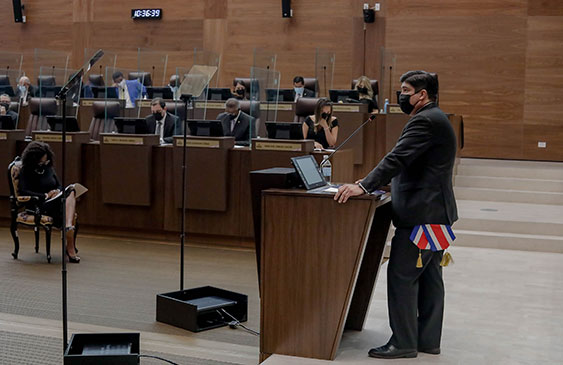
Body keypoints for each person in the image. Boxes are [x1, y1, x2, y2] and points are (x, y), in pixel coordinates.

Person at [334, 71, 458, 359]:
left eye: (405, 90)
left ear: (422, 95)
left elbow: (397, 158)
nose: (401, 96)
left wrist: (362, 185)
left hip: (422, 216)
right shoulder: (436, 117)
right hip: (435, 213)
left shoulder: (425, 120)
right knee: (429, 277)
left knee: (402, 275)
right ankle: (427, 340)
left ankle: (403, 342)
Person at [18, 141, 81, 263]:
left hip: (54, 202)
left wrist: (57, 191)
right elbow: (24, 191)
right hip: (39, 205)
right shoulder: (26, 171)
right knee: (70, 203)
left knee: (71, 189)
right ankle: (70, 242)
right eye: (41, 162)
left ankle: (68, 227)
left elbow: (59, 185)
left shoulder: (48, 168)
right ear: (33, 160)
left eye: (45, 161)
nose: (44, 164)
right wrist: (46, 195)